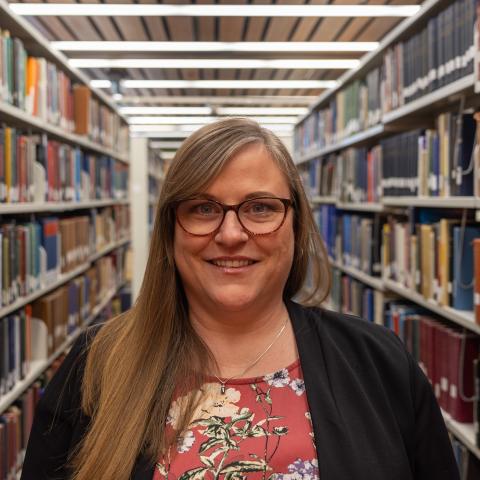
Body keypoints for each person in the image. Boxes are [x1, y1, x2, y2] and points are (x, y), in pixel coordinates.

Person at [21, 118, 459, 480]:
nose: (231, 234)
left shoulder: (380, 363)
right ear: (171, 231)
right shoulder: (96, 364)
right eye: (203, 209)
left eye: (261, 208)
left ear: (296, 226)